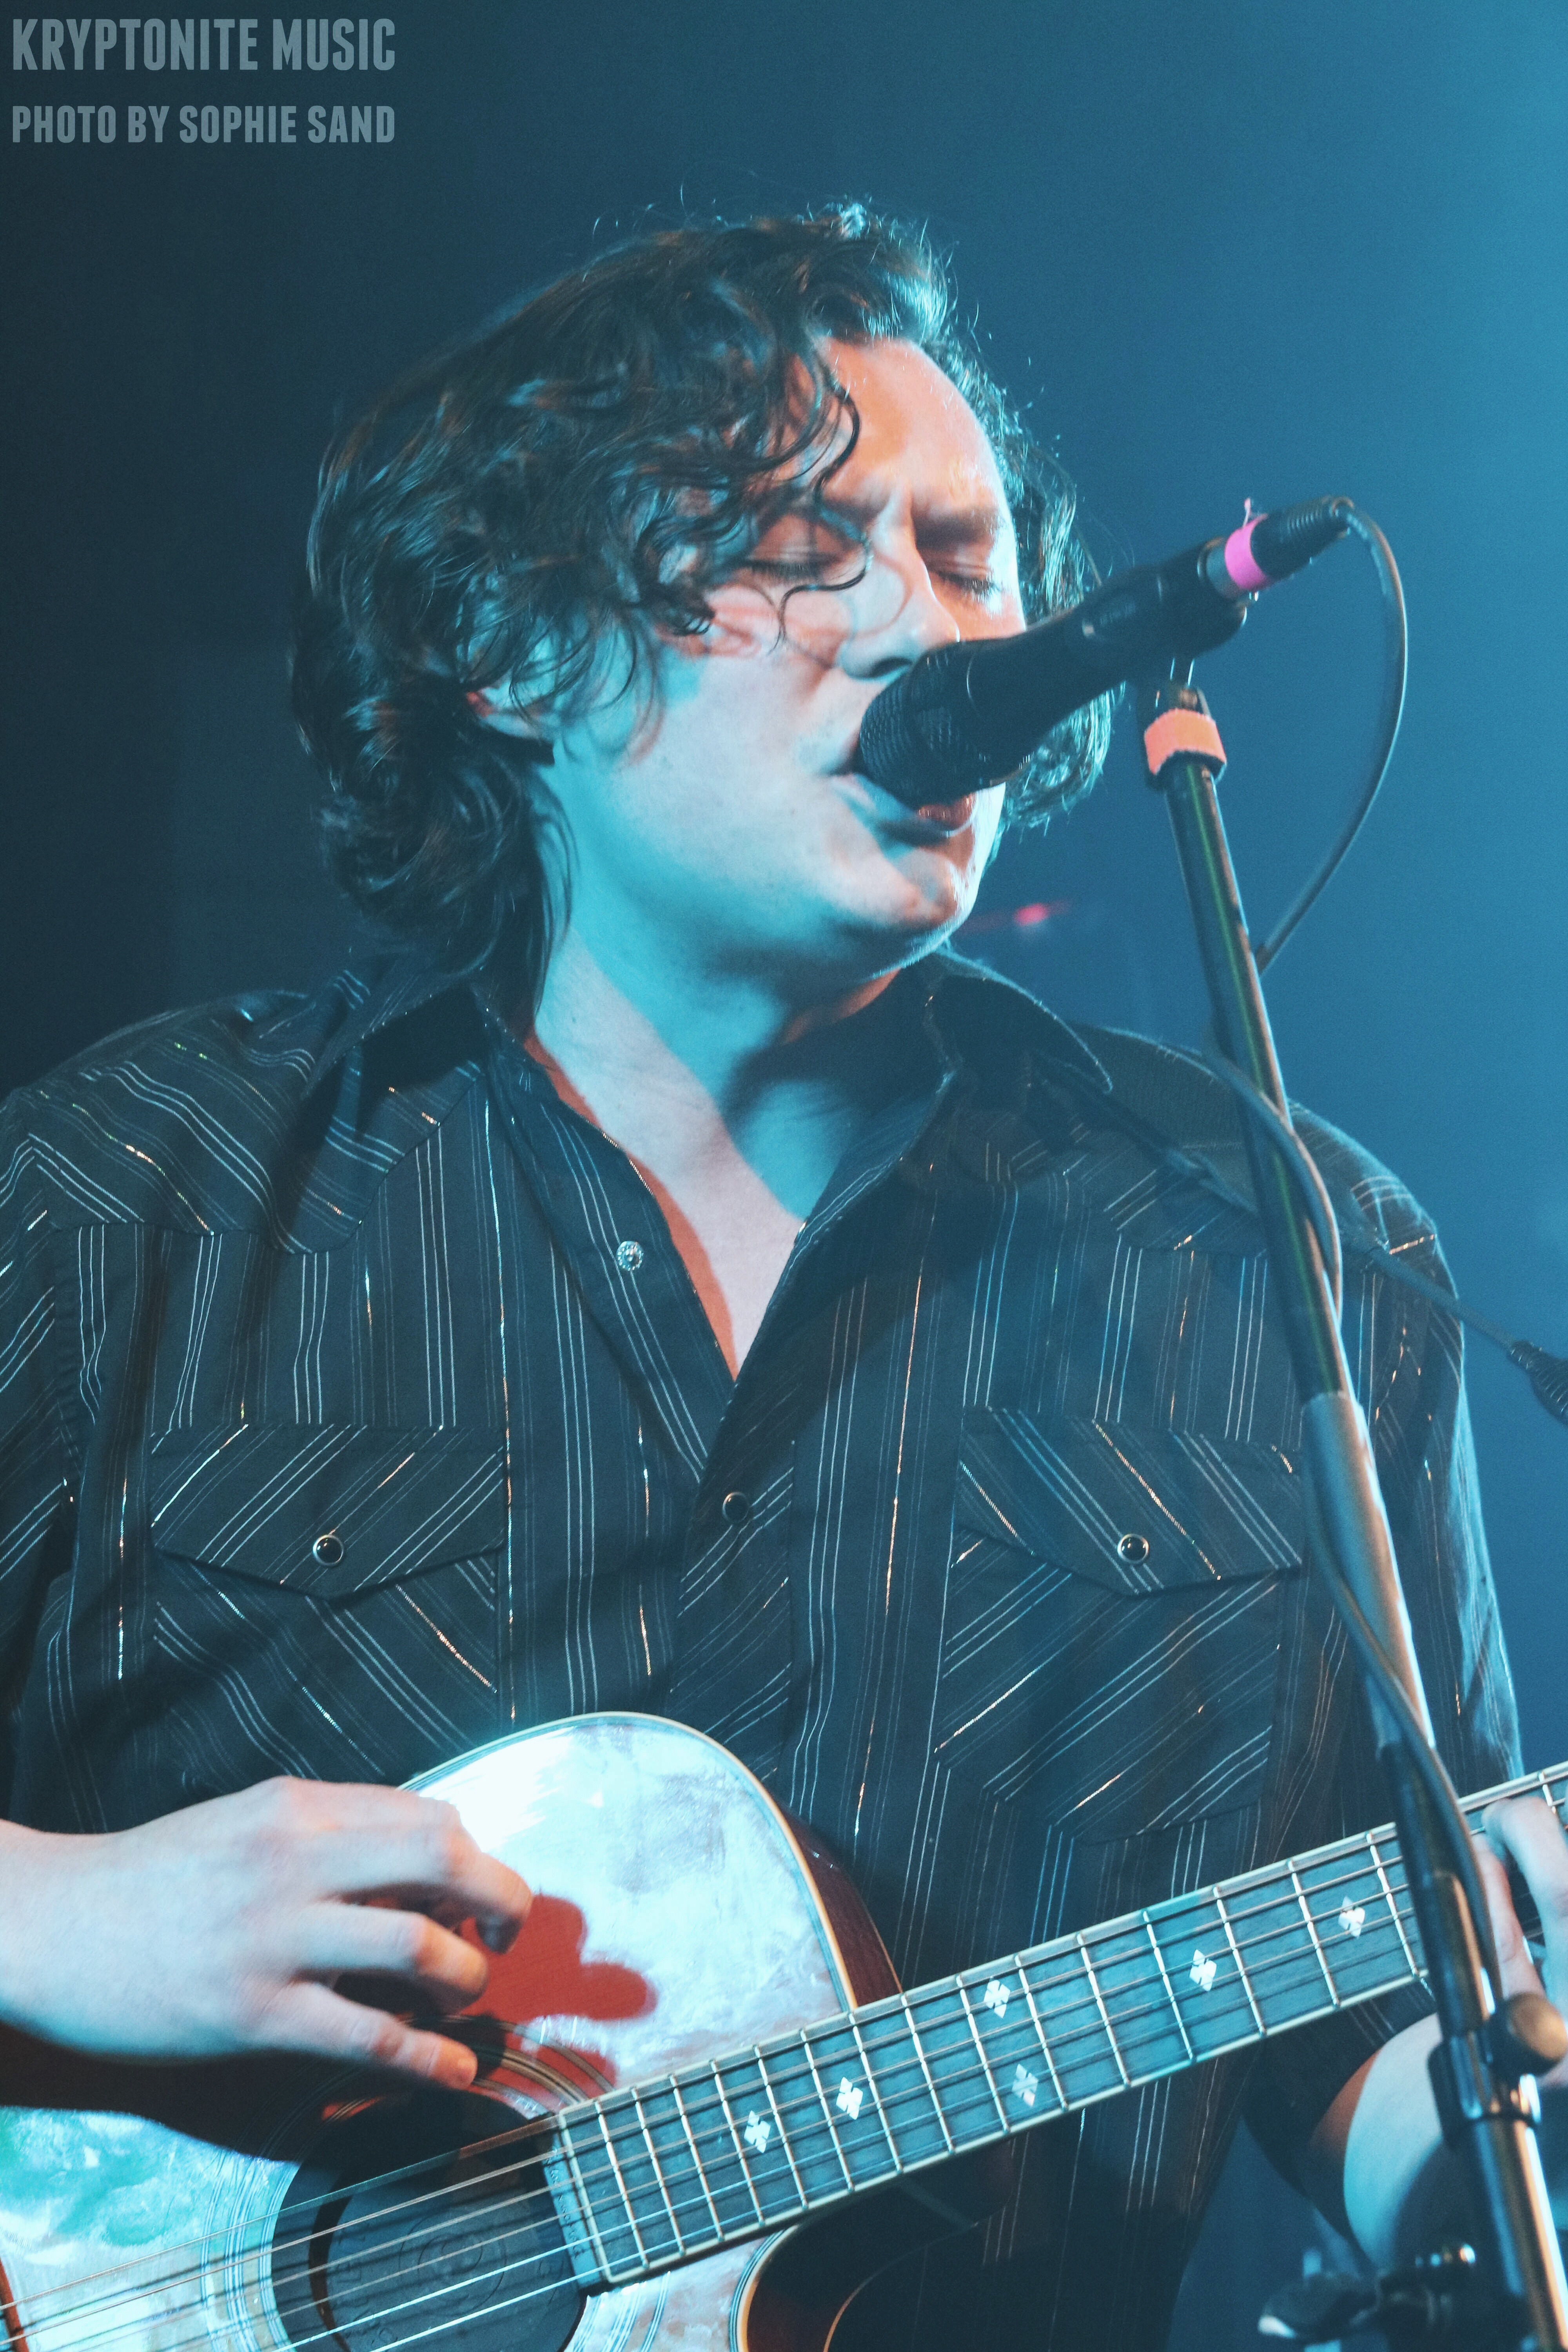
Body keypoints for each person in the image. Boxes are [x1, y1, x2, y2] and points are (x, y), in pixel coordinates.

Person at [0, 206, 1562, 2349]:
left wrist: (1488, 2132)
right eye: (809, 550)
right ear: (514, 648)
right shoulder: (131, 1198)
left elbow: (1376, 2028)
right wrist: (58, 1916)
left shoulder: (1278, 1248)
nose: (926, 624)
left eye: (968, 557)